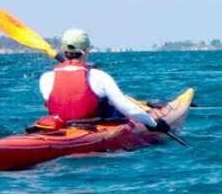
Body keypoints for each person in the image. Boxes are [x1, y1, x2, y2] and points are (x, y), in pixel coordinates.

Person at [39, 28, 170, 132]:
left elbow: (66, 100)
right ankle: (148, 112)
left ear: (62, 49)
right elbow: (125, 108)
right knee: (113, 104)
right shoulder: (99, 76)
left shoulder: (46, 78)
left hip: (61, 127)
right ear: (86, 50)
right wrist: (152, 124)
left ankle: (145, 108)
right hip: (93, 126)